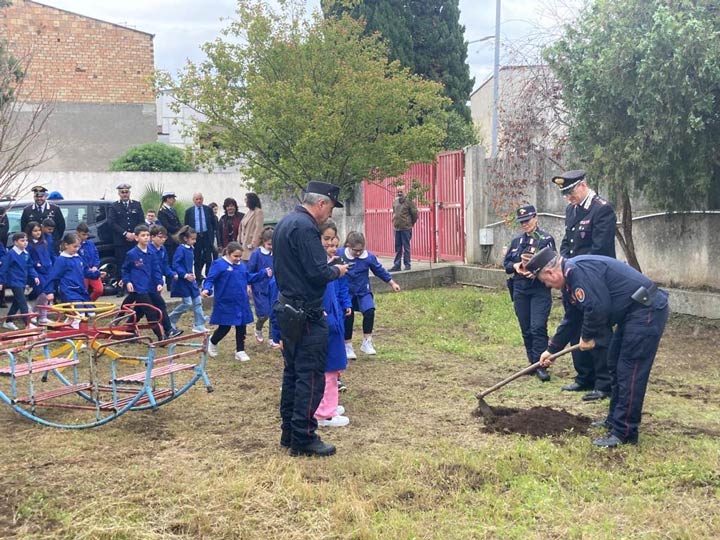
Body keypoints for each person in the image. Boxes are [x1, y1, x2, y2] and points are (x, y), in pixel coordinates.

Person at [527, 247, 669, 448]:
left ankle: (624, 433)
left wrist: (587, 336)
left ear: (551, 272)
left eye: (545, 281)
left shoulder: (577, 272)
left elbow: (597, 308)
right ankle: (614, 421)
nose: (547, 285)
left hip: (645, 311)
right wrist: (552, 349)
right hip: (630, 314)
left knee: (629, 370)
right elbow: (572, 317)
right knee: (615, 365)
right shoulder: (570, 281)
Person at [273, 180, 349, 457]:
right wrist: (337, 270)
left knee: (292, 373)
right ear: (321, 204)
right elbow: (318, 273)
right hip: (306, 313)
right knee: (310, 376)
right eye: (330, 208)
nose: (330, 215)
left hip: (288, 308)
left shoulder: (285, 223)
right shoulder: (306, 228)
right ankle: (304, 437)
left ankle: (289, 432)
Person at [553, 169, 617, 402]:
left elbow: (600, 249)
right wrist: (564, 265)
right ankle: (584, 377)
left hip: (594, 280)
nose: (569, 198)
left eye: (571, 192)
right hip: (572, 278)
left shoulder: (602, 209)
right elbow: (566, 243)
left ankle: (604, 383)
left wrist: (577, 268)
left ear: (583, 185)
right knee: (575, 328)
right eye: (565, 194)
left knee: (597, 330)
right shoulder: (572, 210)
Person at [502, 205, 556, 381]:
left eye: (527, 220)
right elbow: (507, 264)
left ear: (536, 218)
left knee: (537, 326)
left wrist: (534, 271)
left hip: (539, 288)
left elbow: (551, 263)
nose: (525, 225)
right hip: (520, 289)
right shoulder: (517, 241)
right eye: (522, 222)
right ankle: (532, 362)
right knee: (526, 328)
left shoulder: (545, 239)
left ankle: (541, 365)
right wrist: (516, 266)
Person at [201, 241, 271, 362]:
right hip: (225, 301)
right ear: (228, 253)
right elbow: (210, 279)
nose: (238, 259)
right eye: (235, 256)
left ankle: (240, 350)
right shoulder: (219, 264)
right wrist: (206, 289)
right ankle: (212, 342)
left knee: (241, 326)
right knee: (225, 327)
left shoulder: (241, 265)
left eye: (240, 256)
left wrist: (263, 274)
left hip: (241, 301)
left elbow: (248, 277)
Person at [339, 231, 401, 359]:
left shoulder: (368, 258)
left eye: (360, 250)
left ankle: (367, 342)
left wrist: (392, 283)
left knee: (369, 311)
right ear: (348, 246)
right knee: (348, 316)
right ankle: (347, 345)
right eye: (355, 250)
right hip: (347, 293)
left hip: (363, 291)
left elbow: (379, 270)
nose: (358, 253)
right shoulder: (340, 254)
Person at [314, 221, 351, 428]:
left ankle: (330, 403)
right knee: (328, 368)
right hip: (326, 322)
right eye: (325, 240)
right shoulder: (320, 268)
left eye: (333, 240)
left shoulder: (333, 265)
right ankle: (324, 413)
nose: (330, 245)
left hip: (335, 321)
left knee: (335, 367)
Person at [120, 225, 165, 340]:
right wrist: (127, 281)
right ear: (136, 238)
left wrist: (159, 282)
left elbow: (156, 269)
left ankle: (128, 330)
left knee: (139, 311)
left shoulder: (151, 252)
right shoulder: (132, 254)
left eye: (147, 235)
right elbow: (125, 269)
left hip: (150, 287)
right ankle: (160, 337)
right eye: (143, 235)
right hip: (139, 288)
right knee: (150, 311)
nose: (146, 238)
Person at [44, 233, 100, 323]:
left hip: (81, 290)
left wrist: (97, 274)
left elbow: (85, 271)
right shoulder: (61, 260)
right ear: (66, 245)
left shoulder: (78, 257)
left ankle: (68, 326)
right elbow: (52, 276)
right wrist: (49, 291)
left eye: (78, 247)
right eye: (75, 247)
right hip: (69, 291)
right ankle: (74, 333)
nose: (77, 249)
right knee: (79, 314)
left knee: (91, 313)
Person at [169, 225, 208, 333]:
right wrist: (185, 275)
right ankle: (170, 319)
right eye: (193, 239)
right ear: (185, 239)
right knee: (187, 303)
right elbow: (176, 264)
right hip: (182, 281)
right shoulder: (181, 249)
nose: (195, 241)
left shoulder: (190, 249)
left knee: (197, 301)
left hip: (190, 280)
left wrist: (192, 275)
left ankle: (199, 324)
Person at [1, 232, 40, 330]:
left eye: (26, 240)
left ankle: (8, 321)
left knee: (17, 302)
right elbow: (4, 268)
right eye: (22, 241)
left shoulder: (26, 253)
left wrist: (35, 276)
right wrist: (1, 281)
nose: (25, 243)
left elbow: (30, 266)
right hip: (14, 281)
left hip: (22, 281)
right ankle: (27, 323)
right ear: (15, 242)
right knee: (23, 302)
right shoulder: (11, 254)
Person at [149, 225, 181, 339]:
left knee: (142, 309)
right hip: (148, 284)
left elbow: (164, 266)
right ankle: (168, 330)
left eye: (164, 237)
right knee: (159, 305)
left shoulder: (162, 249)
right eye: (160, 237)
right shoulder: (148, 250)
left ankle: (130, 328)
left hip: (156, 283)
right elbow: (151, 269)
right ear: (152, 237)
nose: (162, 240)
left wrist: (172, 274)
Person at [107, 183, 144, 284]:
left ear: (129, 193)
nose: (125, 194)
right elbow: (111, 223)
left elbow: (141, 221)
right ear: (119, 193)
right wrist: (125, 233)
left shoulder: (136, 205)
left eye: (126, 192)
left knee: (136, 263)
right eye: (122, 192)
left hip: (134, 240)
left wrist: (134, 234)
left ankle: (136, 285)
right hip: (121, 241)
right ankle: (121, 287)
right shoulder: (114, 206)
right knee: (121, 264)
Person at [247, 226, 274, 343]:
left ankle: (272, 337)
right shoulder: (256, 254)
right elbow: (250, 271)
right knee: (264, 314)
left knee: (274, 312)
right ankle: (258, 328)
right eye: (269, 244)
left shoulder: (276, 253)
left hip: (273, 287)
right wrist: (248, 285)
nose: (271, 247)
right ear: (263, 241)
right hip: (259, 288)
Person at [26, 221, 54, 322]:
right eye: (35, 231)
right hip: (37, 271)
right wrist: (36, 264)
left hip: (47, 270)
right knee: (43, 293)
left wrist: (51, 265)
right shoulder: (29, 244)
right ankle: (35, 313)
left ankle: (42, 315)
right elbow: (29, 259)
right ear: (30, 232)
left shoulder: (44, 242)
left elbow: (48, 255)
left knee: (47, 293)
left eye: (39, 230)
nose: (38, 233)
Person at [183, 192, 216, 280]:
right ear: (194, 200)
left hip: (206, 236)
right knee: (197, 258)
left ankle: (208, 277)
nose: (199, 201)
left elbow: (213, 224)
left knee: (208, 258)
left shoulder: (208, 209)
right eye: (197, 199)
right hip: (195, 237)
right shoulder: (189, 211)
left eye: (200, 199)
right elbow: (186, 226)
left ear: (203, 199)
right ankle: (198, 277)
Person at [390, 186, 418, 272]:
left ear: (405, 192)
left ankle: (407, 264)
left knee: (406, 247)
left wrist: (411, 223)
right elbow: (394, 212)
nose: (399, 193)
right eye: (398, 192)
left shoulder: (409, 202)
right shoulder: (395, 201)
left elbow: (414, 214)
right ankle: (397, 265)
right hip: (397, 228)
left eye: (401, 192)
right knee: (398, 247)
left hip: (406, 228)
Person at [76, 223, 104, 302]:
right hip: (82, 272)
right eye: (83, 235)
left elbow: (96, 255)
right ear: (77, 233)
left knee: (99, 289)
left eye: (86, 235)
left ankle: (89, 303)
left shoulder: (90, 243)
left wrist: (95, 266)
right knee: (83, 291)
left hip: (93, 270)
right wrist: (86, 268)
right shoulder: (75, 245)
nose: (85, 237)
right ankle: (82, 306)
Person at [157, 191, 183, 263]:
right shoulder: (162, 211)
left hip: (176, 238)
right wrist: (178, 229)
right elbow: (166, 225)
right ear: (167, 199)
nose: (174, 200)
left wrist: (181, 229)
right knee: (170, 258)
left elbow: (177, 222)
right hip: (169, 239)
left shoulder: (172, 210)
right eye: (172, 198)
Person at [238, 192, 264, 264]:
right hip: (243, 244)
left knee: (249, 264)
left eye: (246, 199)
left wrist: (253, 243)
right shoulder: (248, 212)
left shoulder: (258, 212)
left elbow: (258, 229)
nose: (245, 201)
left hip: (250, 245)